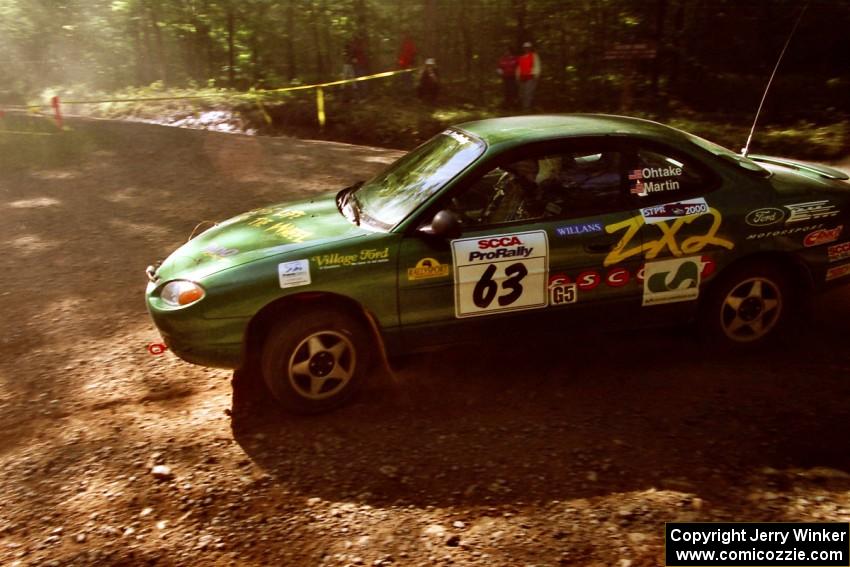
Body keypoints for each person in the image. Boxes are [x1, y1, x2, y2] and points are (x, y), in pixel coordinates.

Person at [516, 41, 541, 111]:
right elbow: (519, 67)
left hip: (531, 76)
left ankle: (526, 108)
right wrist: (517, 76)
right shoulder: (521, 57)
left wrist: (536, 74)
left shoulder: (534, 55)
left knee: (528, 92)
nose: (526, 49)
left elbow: (537, 65)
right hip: (522, 77)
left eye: (528, 48)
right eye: (525, 48)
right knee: (522, 93)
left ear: (530, 48)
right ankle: (525, 107)